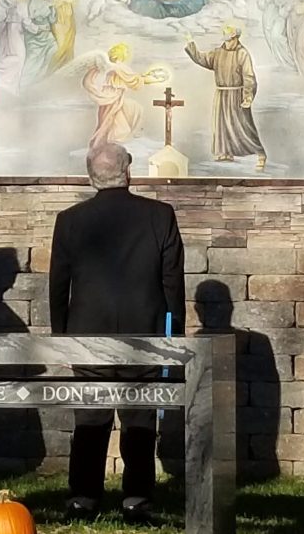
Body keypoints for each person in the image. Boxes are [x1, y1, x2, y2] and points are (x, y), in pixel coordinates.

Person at [49, 143, 185, 523]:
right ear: (129, 172)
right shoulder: (159, 216)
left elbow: (59, 285)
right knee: (140, 419)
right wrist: (174, 340)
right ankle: (136, 499)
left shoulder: (70, 219)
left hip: (87, 335)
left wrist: (62, 336)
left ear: (91, 176)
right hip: (144, 336)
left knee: (90, 419)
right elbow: (172, 282)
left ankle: (84, 497)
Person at [185, 24, 267, 169]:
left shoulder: (242, 54)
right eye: (226, 39)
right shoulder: (218, 53)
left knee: (244, 126)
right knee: (221, 125)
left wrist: (248, 96)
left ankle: (260, 153)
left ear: (236, 38)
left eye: (230, 39)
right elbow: (202, 59)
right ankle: (225, 152)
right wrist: (191, 44)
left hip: (237, 96)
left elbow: (249, 77)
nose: (227, 42)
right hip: (222, 95)